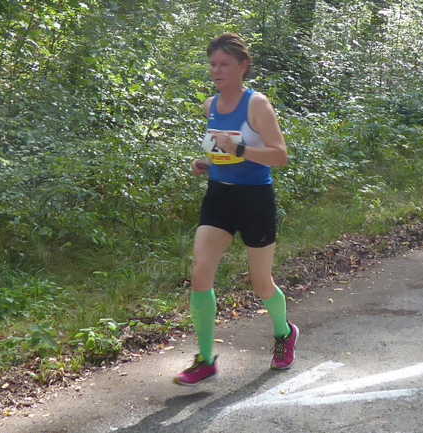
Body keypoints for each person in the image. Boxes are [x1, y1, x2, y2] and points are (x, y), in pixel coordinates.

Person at [174, 33, 299, 386]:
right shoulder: (210, 105)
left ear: (243, 66)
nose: (217, 70)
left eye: (224, 64)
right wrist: (207, 164)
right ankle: (206, 359)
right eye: (213, 64)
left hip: (255, 199)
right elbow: (223, 154)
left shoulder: (256, 104)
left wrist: (241, 151)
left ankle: (284, 332)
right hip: (219, 196)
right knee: (201, 271)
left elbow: (280, 156)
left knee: (261, 283)